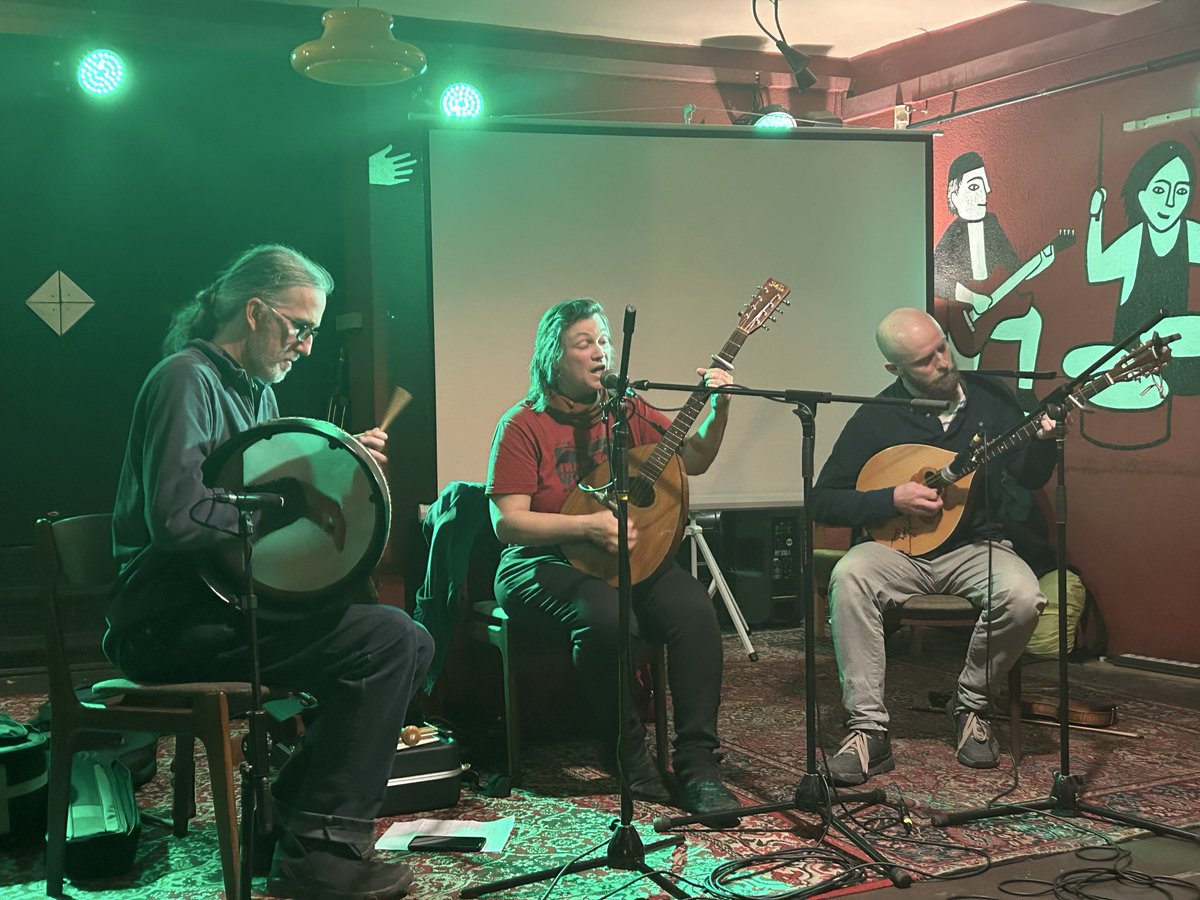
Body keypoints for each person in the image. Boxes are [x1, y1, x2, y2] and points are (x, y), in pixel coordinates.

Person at [105, 244, 433, 899]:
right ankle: (319, 852)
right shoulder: (184, 379)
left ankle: (283, 820)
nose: (307, 346)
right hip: (168, 623)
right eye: (299, 326)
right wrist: (294, 492)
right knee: (392, 641)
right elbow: (177, 518)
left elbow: (260, 504)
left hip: (218, 611)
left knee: (390, 630)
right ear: (254, 313)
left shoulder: (250, 395)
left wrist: (333, 465)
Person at [485, 298, 742, 824]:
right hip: (539, 559)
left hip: (621, 554)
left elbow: (692, 455)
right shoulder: (522, 424)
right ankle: (624, 749)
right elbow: (508, 522)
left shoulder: (626, 410)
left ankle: (697, 762)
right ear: (554, 356)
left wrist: (719, 406)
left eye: (604, 340)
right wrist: (584, 526)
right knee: (605, 614)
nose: (601, 352)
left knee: (693, 608)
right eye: (586, 343)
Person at [811, 307, 1058, 786]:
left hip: (976, 546)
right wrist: (891, 497)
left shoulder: (991, 400)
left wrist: (1046, 440)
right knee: (850, 575)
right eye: (926, 360)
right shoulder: (876, 418)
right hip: (896, 551)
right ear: (895, 370)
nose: (944, 362)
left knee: (1024, 596)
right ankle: (868, 731)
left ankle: (969, 706)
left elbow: (1030, 474)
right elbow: (823, 500)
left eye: (943, 347)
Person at [933, 150, 1056, 411]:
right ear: (955, 194)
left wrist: (1040, 264)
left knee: (1031, 321)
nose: (984, 196)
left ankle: (1025, 390)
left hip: (992, 311)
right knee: (968, 365)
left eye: (985, 187)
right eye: (975, 187)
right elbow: (936, 279)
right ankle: (963, 406)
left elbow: (1014, 269)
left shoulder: (992, 226)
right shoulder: (952, 236)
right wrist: (972, 297)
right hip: (962, 318)